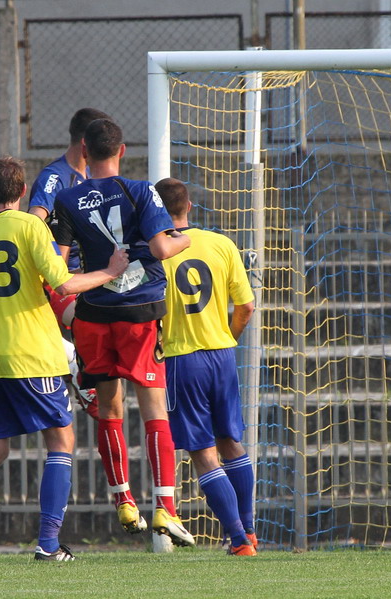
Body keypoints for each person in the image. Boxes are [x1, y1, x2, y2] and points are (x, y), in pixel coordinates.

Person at [0, 157, 128, 562]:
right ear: (22, 192)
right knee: (60, 440)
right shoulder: (31, 226)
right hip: (31, 355)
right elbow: (64, 282)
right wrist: (109, 270)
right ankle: (49, 544)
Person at [51, 118, 194, 546]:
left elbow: (58, 264)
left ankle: (123, 500)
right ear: (122, 150)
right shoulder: (140, 190)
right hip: (139, 311)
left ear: (83, 149)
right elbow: (162, 248)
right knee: (153, 409)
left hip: (94, 314)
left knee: (110, 410)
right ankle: (165, 508)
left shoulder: (66, 198)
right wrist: (184, 237)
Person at [155, 177, 258, 557]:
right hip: (222, 356)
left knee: (203, 452)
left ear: (155, 211)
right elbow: (246, 307)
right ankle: (249, 529)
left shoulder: (156, 252)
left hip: (184, 360)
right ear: (190, 206)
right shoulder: (222, 244)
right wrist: (227, 338)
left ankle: (237, 539)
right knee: (231, 441)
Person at [28, 107, 111, 418]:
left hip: (92, 276)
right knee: (86, 317)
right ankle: (81, 369)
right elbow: (34, 222)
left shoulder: (93, 176)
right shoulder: (54, 178)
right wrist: (54, 262)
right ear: (85, 143)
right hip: (60, 280)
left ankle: (85, 368)